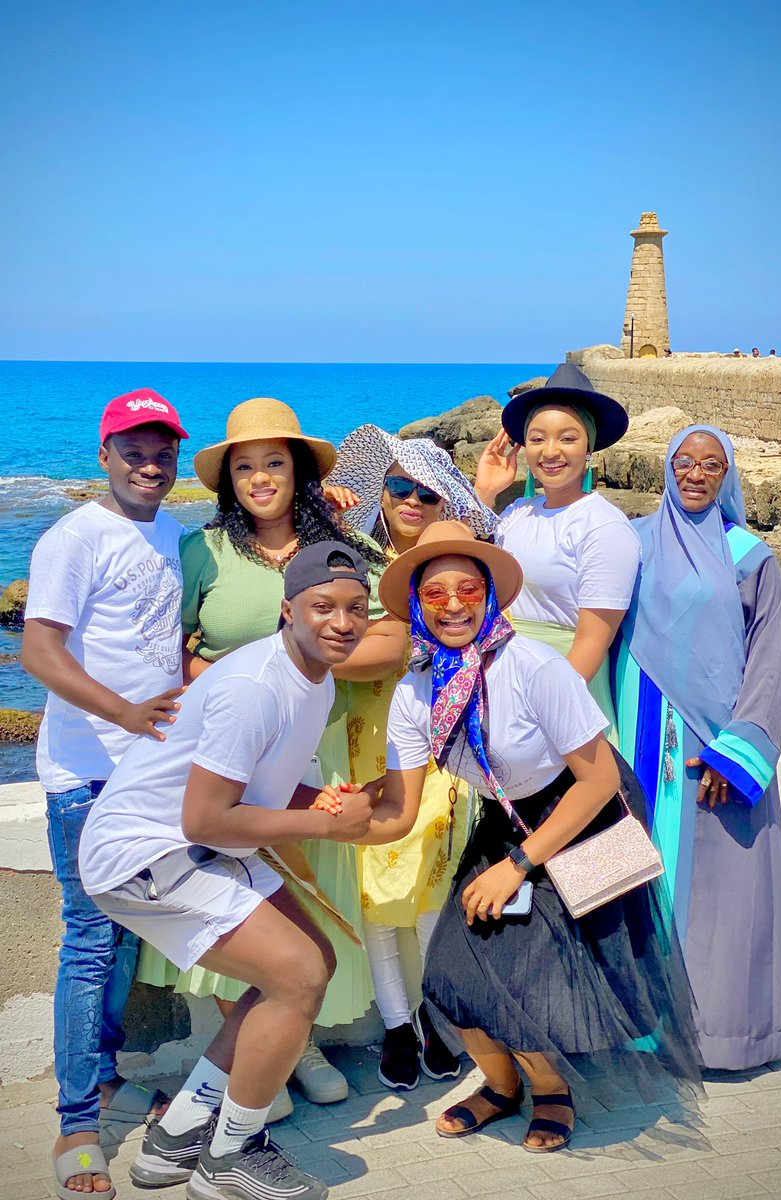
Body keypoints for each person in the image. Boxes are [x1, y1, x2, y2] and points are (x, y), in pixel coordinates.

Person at [371, 521, 701, 1152]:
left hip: (587, 813)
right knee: (451, 971)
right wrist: (328, 816)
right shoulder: (416, 691)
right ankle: (501, 1087)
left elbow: (599, 780)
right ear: (416, 605)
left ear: (490, 595)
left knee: (529, 973)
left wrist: (518, 864)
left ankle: (551, 1091)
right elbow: (398, 807)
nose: (453, 605)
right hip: (510, 817)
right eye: (435, 594)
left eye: (468, 589)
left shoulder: (534, 667)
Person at [79, 543, 377, 1200]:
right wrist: (325, 825)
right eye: (323, 607)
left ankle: (178, 1136)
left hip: (192, 843)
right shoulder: (254, 686)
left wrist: (329, 802)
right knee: (296, 975)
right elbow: (207, 820)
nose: (342, 622)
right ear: (288, 610)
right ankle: (231, 1156)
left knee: (313, 963)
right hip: (142, 854)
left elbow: (263, 789)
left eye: (356, 608)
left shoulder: (315, 678)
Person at [135, 398, 404, 1113]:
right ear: (229, 482)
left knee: (301, 911)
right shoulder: (205, 552)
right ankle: (258, 1062)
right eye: (244, 467)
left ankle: (295, 1043)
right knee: (232, 904)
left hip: (319, 754)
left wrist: (304, 660)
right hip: (226, 759)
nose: (260, 478)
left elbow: (393, 638)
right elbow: (171, 651)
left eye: (274, 462)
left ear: (299, 472)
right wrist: (245, 678)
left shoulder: (342, 546)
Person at [22, 389, 189, 1199]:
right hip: (87, 775)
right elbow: (39, 651)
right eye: (134, 451)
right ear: (104, 455)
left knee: (126, 936)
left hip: (150, 773)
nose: (149, 465)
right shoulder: (73, 537)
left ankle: (109, 1073)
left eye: (162, 452)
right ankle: (77, 1121)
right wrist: (123, 712)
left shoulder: (175, 533)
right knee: (90, 939)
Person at [613, 425, 781, 1070]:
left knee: (723, 896)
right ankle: (645, 1031)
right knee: (640, 879)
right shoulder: (633, 543)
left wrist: (737, 751)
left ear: (728, 477)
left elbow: (768, 661)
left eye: (711, 465)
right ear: (668, 469)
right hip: (638, 739)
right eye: (684, 463)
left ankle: (725, 1036)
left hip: (714, 751)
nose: (695, 474)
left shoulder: (751, 556)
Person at [327, 424, 496, 1088]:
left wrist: (485, 495)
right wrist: (325, 509)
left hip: (438, 744)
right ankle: (398, 1024)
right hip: (361, 740)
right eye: (399, 487)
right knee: (373, 890)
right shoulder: (351, 558)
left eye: (427, 493)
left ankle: (435, 1014)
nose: (411, 501)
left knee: (431, 887)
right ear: (380, 491)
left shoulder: (450, 564)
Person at [474, 364, 640, 741]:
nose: (550, 452)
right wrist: (484, 492)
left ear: (589, 448)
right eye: (537, 439)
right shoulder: (516, 512)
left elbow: (592, 642)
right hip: (501, 686)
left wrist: (537, 716)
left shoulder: (603, 526)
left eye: (567, 438)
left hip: (562, 696)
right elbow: (468, 571)